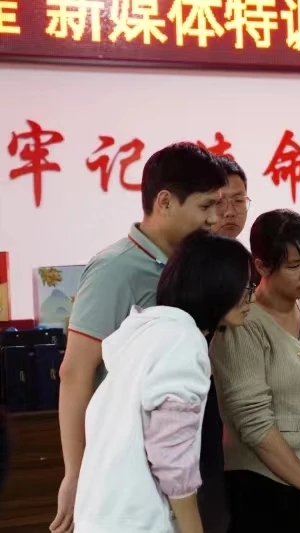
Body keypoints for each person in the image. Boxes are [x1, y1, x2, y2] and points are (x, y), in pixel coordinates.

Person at [51, 143, 227, 533]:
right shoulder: (115, 270)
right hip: (131, 473)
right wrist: (75, 472)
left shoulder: (189, 267)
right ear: (164, 202)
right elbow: (76, 372)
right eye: (205, 206)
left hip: (182, 455)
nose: (215, 219)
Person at [72, 230, 255, 533]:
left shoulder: (145, 333)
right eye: (246, 287)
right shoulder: (184, 341)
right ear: (217, 285)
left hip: (101, 517)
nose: (251, 297)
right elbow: (171, 454)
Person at [211, 210, 300, 533]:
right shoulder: (242, 323)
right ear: (261, 266)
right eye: (294, 265)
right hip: (264, 488)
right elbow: (254, 424)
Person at [202, 156, 251, 533]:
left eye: (239, 200)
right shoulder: (192, 264)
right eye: (220, 202)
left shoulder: (249, 262)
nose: (230, 211)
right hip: (204, 409)